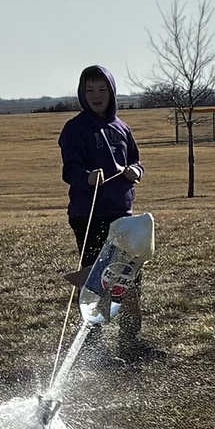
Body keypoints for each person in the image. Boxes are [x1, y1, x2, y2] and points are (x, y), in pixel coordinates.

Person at [59, 64, 156, 361]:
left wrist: (135, 171)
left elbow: (137, 161)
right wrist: (87, 177)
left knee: (128, 277)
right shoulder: (74, 129)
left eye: (102, 89)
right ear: (81, 94)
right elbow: (70, 169)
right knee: (97, 280)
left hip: (122, 214)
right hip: (88, 215)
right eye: (89, 91)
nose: (96, 96)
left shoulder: (122, 128)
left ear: (112, 92)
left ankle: (130, 341)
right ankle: (94, 345)